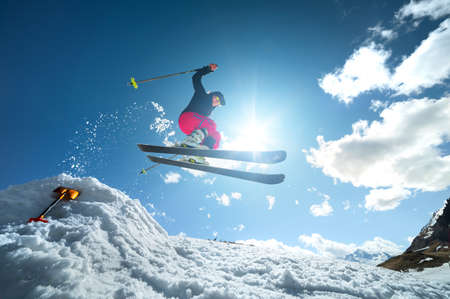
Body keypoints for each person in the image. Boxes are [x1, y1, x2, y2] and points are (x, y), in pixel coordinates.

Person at [178, 63, 225, 155]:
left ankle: (201, 152)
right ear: (213, 94)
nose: (217, 102)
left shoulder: (209, 111)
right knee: (211, 124)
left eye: (219, 103)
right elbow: (196, 78)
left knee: (216, 135)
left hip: (191, 129)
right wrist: (208, 69)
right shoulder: (202, 94)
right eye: (218, 99)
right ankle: (190, 142)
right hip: (186, 118)